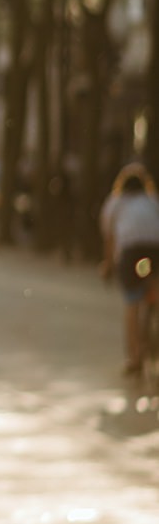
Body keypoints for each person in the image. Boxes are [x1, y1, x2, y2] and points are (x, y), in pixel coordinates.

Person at [99, 163, 159, 395]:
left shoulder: (115, 203)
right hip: (155, 252)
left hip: (132, 253)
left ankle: (134, 357)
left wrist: (107, 265)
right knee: (153, 290)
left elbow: (110, 238)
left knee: (132, 304)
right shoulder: (152, 201)